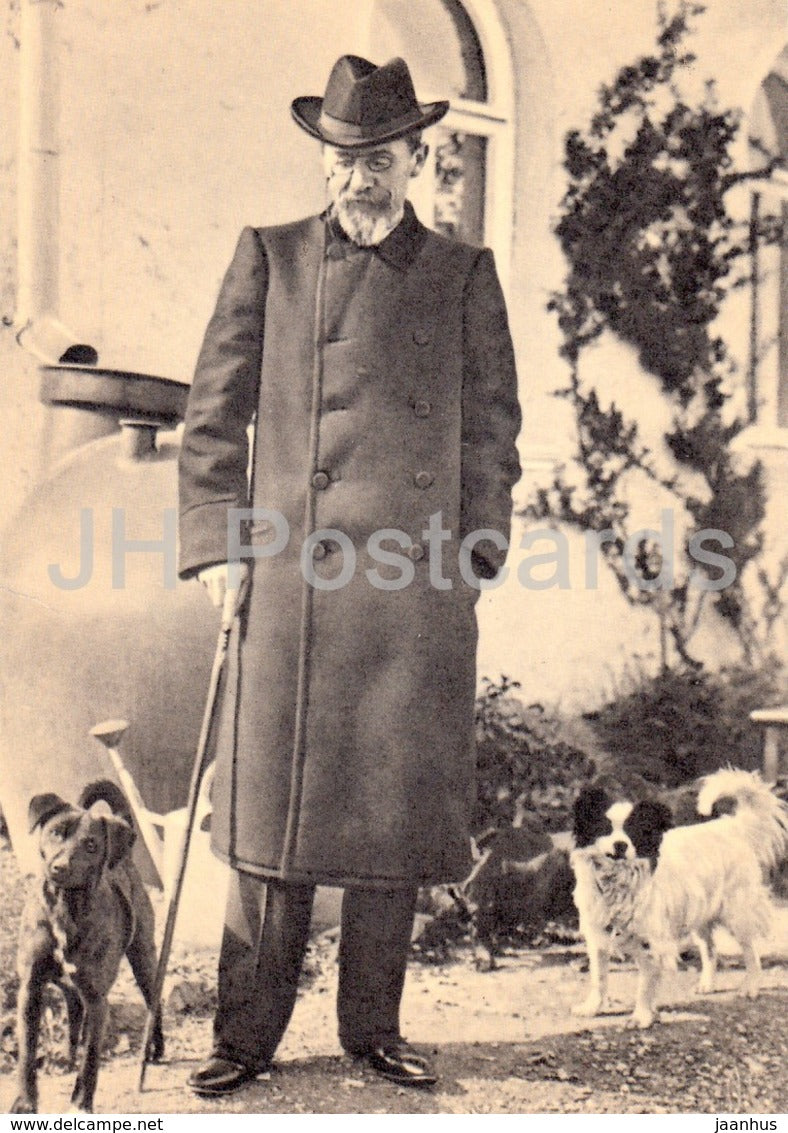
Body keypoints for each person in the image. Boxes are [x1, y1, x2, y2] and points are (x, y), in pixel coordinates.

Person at [178, 53, 522, 1097]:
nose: (355, 178)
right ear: (322, 162)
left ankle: (373, 1027)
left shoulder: (462, 275)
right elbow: (211, 417)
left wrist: (474, 551)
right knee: (270, 821)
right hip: (289, 582)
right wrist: (214, 548)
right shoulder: (270, 260)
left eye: (374, 158)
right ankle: (245, 1036)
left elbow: (491, 431)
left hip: (412, 587)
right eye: (339, 159)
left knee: (390, 815)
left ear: (414, 160)